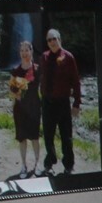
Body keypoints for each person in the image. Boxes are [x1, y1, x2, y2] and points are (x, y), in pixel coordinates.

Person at [38, 28, 81, 177]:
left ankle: (69, 165)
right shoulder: (43, 57)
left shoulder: (68, 57)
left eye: (54, 39)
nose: (52, 42)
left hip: (62, 102)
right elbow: (40, 77)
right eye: (49, 40)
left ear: (60, 40)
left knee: (66, 136)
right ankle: (49, 163)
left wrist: (76, 103)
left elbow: (75, 81)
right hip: (47, 102)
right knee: (48, 135)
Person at [6, 40, 40, 179]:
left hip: (34, 108)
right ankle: (24, 165)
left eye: (27, 50)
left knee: (35, 138)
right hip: (20, 109)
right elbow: (11, 91)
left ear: (31, 52)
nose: (24, 53)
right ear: (19, 53)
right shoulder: (16, 71)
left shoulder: (37, 69)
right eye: (22, 51)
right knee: (22, 139)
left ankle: (37, 164)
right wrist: (17, 93)